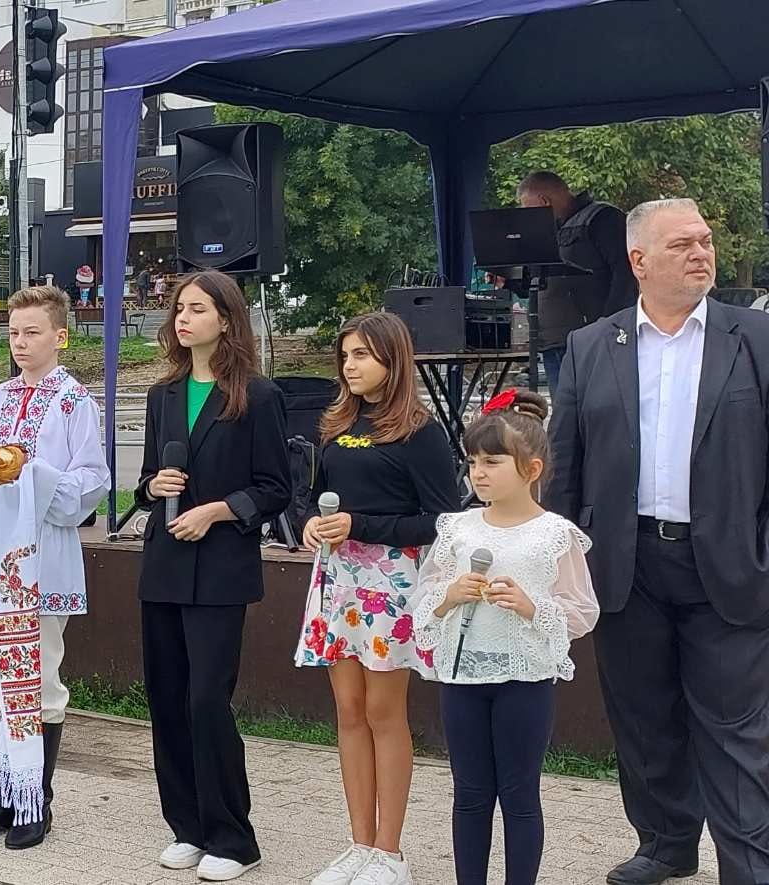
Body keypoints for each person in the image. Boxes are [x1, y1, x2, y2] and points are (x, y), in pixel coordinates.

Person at [548, 198, 769, 885]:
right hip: (626, 562)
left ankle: (749, 866)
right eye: (682, 244)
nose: (701, 253)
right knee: (643, 719)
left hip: (731, 565)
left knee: (736, 730)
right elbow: (565, 464)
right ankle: (666, 842)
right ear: (638, 260)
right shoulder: (592, 346)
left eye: (705, 240)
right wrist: (559, 561)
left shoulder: (755, 338)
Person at [294, 311, 461, 885]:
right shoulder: (336, 423)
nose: (350, 365)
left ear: (393, 357)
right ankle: (359, 844)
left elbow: (441, 520)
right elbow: (317, 496)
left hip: (390, 586)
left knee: (384, 712)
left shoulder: (420, 431)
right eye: (345, 355)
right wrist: (311, 523)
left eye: (362, 354)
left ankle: (390, 852)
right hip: (337, 581)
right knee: (348, 711)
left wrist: (361, 524)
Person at [135, 271, 292, 881]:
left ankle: (233, 837)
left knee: (206, 700)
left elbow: (276, 488)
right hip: (165, 566)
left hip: (221, 570)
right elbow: (147, 481)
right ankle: (188, 828)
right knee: (168, 699)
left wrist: (218, 511)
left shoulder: (258, 395)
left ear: (226, 320)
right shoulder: (163, 395)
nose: (183, 318)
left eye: (197, 309)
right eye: (179, 308)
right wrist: (154, 486)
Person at [413, 388, 600, 885]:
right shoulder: (457, 528)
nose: (478, 472)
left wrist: (533, 607)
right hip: (462, 677)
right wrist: (450, 595)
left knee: (519, 795)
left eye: (492, 462)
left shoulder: (554, 534)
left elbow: (583, 610)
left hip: (525, 679)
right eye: (473, 461)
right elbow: (424, 597)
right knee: (470, 794)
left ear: (531, 469)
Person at [0, 284, 109, 850]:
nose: (20, 342)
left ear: (59, 336)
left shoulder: (74, 402)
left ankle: (34, 798)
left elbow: (90, 482)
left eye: (32, 332)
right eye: (13, 333)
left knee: (38, 678)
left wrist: (32, 477)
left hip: (42, 555)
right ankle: (1, 795)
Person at [516, 171, 639, 389]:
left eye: (528, 208)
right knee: (564, 409)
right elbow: (535, 283)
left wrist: (611, 327)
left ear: (544, 201)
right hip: (552, 340)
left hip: (591, 340)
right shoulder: (549, 230)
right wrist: (508, 280)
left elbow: (626, 276)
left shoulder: (603, 219)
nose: (528, 216)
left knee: (596, 406)